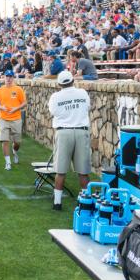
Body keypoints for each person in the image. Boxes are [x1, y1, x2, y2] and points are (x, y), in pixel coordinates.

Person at [48, 71, 91, 211]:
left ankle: (57, 202)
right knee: (83, 171)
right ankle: (86, 203)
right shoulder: (83, 93)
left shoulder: (55, 96)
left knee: (60, 171)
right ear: (73, 81)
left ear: (60, 84)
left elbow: (53, 112)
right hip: (81, 130)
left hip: (63, 131)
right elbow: (87, 108)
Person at [0, 70, 26, 171]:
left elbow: (24, 103)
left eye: (10, 77)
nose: (9, 78)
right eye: (7, 76)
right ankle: (8, 162)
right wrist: (1, 107)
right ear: (4, 77)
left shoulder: (18, 89)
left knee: (17, 142)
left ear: (13, 78)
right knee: (5, 141)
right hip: (3, 119)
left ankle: (15, 152)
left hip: (16, 119)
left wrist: (15, 109)